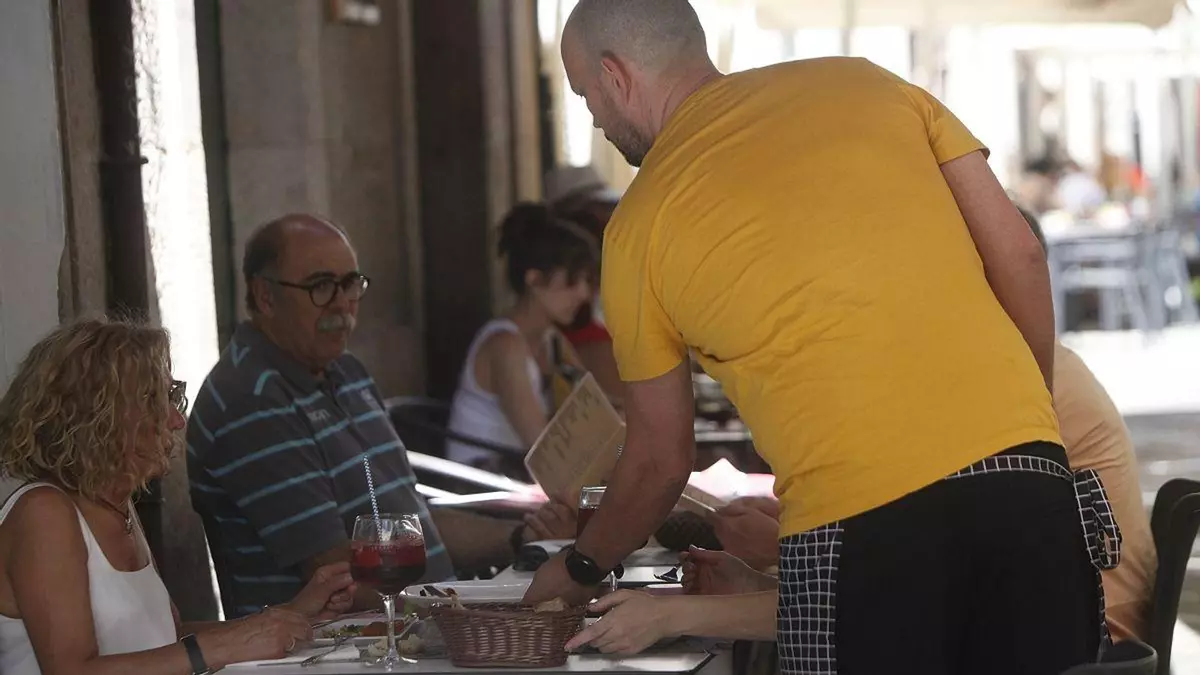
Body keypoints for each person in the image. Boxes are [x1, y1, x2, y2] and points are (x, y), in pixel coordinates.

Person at [526, 2, 1113, 674]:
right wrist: (1026, 424)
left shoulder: (636, 230)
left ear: (616, 76)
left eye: (586, 96)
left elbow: (659, 459)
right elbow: (1021, 255)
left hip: (861, 528)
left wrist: (580, 565)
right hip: (1031, 486)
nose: (595, 119)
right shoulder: (870, 83)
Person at [188, 214, 575, 618]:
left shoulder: (345, 371)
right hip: (342, 642)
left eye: (350, 284)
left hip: (422, 621)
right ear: (265, 297)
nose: (342, 303)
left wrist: (522, 537)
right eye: (321, 286)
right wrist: (473, 614)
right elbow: (338, 580)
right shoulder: (252, 400)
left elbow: (414, 524)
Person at [0, 318, 356, 675]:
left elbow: (165, 643)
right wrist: (223, 646)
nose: (176, 420)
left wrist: (291, 614)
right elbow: (70, 671)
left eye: (172, 397)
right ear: (97, 416)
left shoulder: (118, 507)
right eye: (155, 400)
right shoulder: (44, 513)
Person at [445, 203, 597, 471]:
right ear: (534, 279)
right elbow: (542, 448)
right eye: (572, 281)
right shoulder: (505, 345)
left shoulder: (553, 341)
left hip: (520, 472)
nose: (584, 294)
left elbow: (595, 409)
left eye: (587, 281)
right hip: (481, 481)